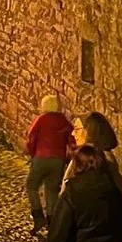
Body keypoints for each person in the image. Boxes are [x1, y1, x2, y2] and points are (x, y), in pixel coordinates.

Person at [66, 112, 122, 230]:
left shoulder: (93, 159)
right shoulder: (103, 157)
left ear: (90, 132)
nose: (73, 133)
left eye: (77, 129)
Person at [26, 94, 74, 234]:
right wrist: (68, 157)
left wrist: (31, 152)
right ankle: (52, 221)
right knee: (52, 190)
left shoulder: (41, 120)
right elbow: (72, 140)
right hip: (57, 161)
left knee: (31, 186)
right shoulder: (64, 121)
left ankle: (38, 215)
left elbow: (32, 137)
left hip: (41, 158)